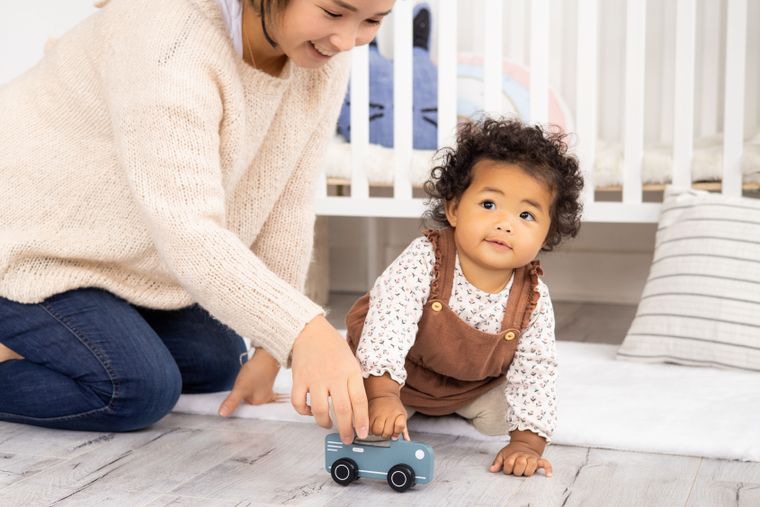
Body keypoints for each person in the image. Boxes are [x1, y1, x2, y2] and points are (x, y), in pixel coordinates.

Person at [0, 0, 395, 444]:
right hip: (27, 240)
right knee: (137, 390)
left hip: (110, 257)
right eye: (332, 12)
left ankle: (33, 342)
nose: (347, 40)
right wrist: (303, 330)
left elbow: (289, 199)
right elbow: (186, 227)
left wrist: (272, 347)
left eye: (373, 21)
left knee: (216, 362)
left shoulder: (321, 57)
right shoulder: (168, 33)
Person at [345, 117, 584, 477]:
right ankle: (393, 400)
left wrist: (525, 443)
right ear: (454, 209)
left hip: (468, 387)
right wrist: (382, 395)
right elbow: (388, 322)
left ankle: (455, 409)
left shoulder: (532, 296)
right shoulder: (427, 257)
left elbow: (536, 368)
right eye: (489, 205)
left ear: (547, 234)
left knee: (508, 419)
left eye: (526, 214)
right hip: (402, 376)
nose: (506, 224)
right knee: (350, 409)